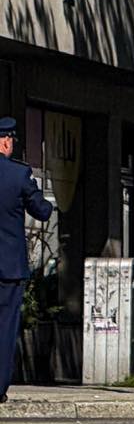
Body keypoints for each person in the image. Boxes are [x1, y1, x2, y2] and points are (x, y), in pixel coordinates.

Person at [0, 117, 52, 404]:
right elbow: (42, 211)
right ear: (6, 141)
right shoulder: (19, 175)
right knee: (5, 327)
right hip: (8, 266)